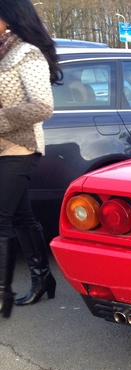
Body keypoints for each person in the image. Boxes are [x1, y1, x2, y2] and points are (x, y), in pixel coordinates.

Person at [0, 0, 62, 319]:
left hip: (21, 146)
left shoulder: (27, 53)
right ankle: (43, 278)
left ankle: (3, 296)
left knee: (2, 218)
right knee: (22, 216)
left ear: (8, 17)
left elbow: (42, 106)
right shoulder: (0, 53)